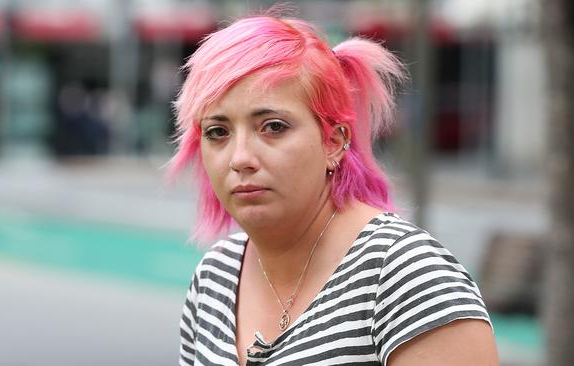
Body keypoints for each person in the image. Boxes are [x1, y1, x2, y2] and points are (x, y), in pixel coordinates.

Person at [169, 11, 499, 366]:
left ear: (334, 141)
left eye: (273, 127)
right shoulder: (214, 278)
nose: (241, 158)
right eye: (218, 132)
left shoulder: (406, 275)